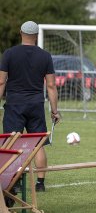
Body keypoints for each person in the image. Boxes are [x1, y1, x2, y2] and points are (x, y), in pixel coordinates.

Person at [0, 21, 60, 192]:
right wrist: (55, 111)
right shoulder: (45, 56)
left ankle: (15, 181)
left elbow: (1, 81)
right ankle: (40, 184)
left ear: (20, 33)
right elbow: (51, 86)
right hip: (36, 105)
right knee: (38, 144)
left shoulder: (9, 54)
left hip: (14, 105)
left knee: (12, 143)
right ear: (37, 36)